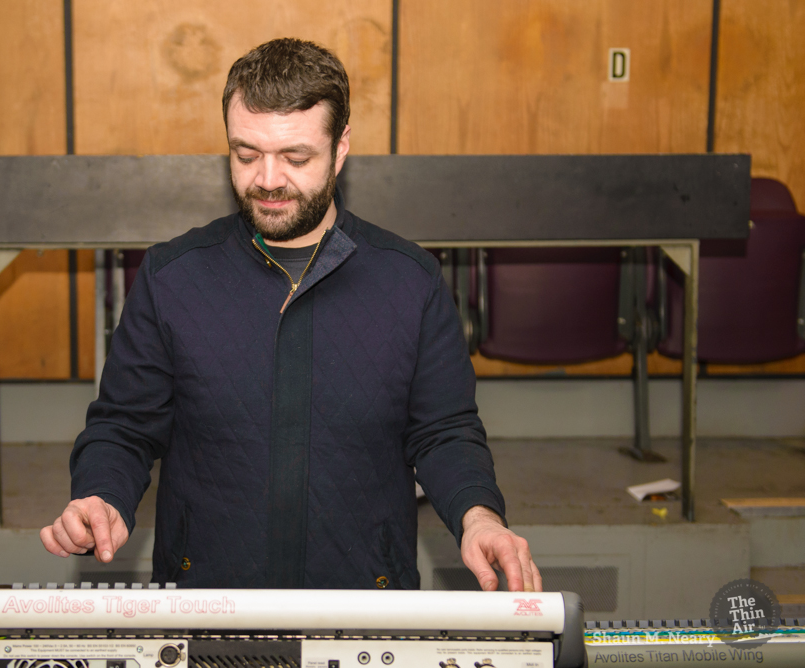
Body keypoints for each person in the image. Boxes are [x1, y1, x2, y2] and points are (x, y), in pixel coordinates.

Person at [41, 37, 541, 592]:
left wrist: (479, 516)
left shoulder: (410, 279)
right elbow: (125, 426)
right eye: (246, 154)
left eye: (296, 157)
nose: (269, 179)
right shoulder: (170, 277)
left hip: (363, 600)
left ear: (341, 146)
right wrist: (101, 494)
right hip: (210, 597)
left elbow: (444, 431)